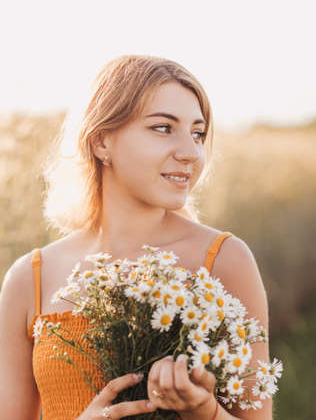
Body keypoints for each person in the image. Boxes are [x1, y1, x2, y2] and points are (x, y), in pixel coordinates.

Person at [0, 55, 271, 420]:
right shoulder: (29, 278)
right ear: (100, 142)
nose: (191, 152)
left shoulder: (224, 261)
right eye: (163, 128)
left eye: (197, 133)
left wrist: (206, 411)